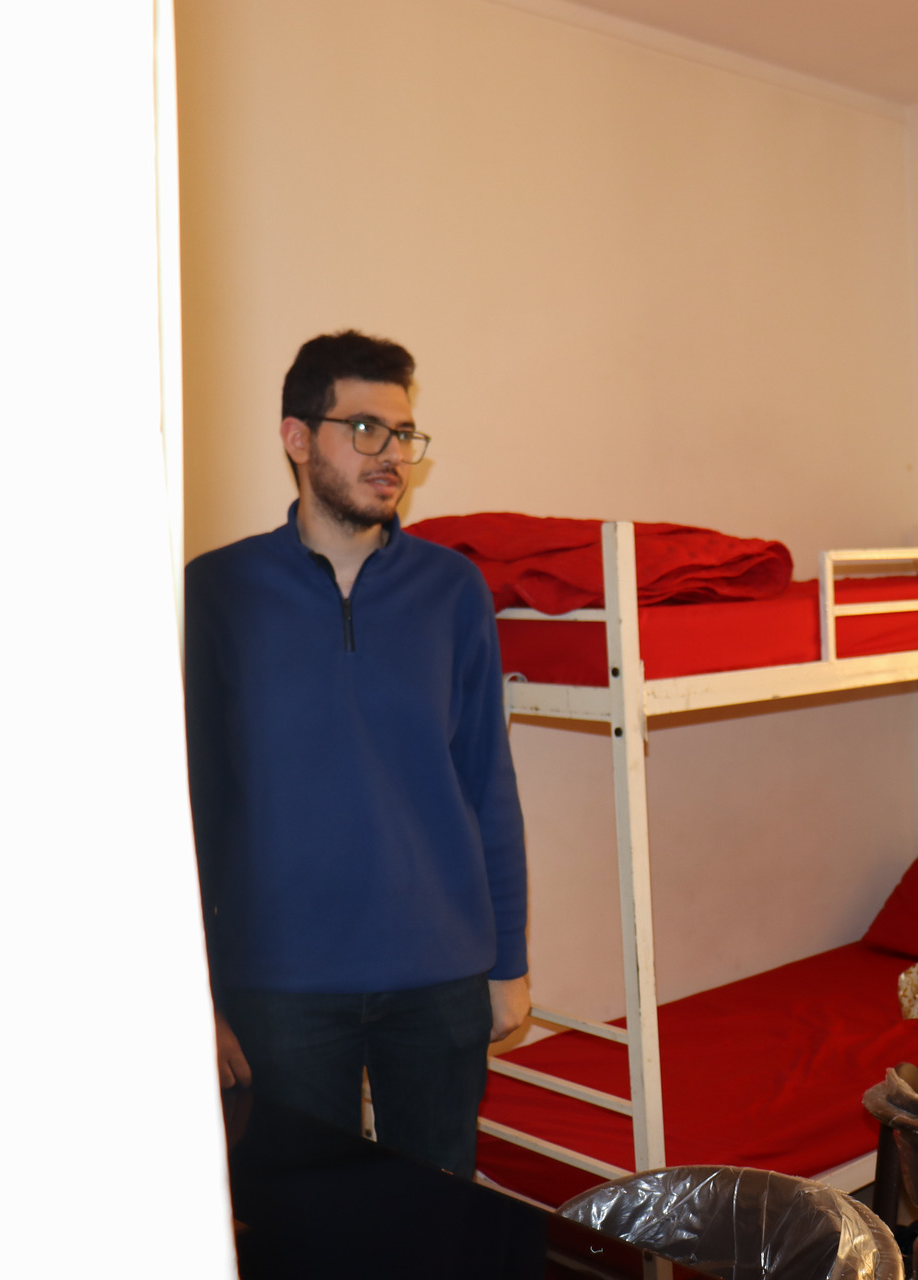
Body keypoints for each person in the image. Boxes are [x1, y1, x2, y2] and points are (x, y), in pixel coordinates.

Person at [186, 330, 531, 1179]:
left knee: (437, 1213)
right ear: (298, 438)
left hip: (440, 976)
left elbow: (487, 782)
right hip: (280, 983)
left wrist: (509, 963)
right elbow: (194, 805)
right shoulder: (216, 591)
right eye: (367, 429)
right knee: (305, 1222)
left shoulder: (453, 590)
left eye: (405, 434)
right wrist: (196, 988)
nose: (394, 456)